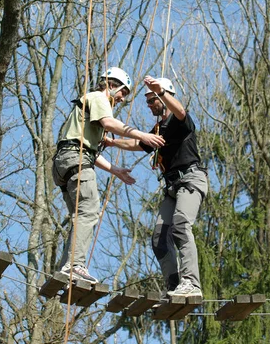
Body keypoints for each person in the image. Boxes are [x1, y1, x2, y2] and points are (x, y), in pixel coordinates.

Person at [53, 67, 165, 284]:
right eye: (123, 93)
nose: (122, 99)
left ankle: (64, 269)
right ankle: (75, 266)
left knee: (81, 217)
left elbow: (85, 147)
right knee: (89, 210)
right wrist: (142, 135)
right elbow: (109, 124)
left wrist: (114, 170)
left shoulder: (88, 103)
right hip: (76, 159)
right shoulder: (98, 98)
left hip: (65, 163)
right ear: (112, 85)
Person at [106, 76, 208, 297]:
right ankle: (174, 287)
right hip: (172, 188)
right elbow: (138, 143)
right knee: (159, 240)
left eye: (152, 100)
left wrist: (160, 91)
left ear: (165, 95)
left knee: (181, 225)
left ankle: (191, 283)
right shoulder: (158, 130)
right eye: (149, 101)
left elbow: (180, 110)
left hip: (190, 179)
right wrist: (112, 142)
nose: (150, 105)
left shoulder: (179, 122)